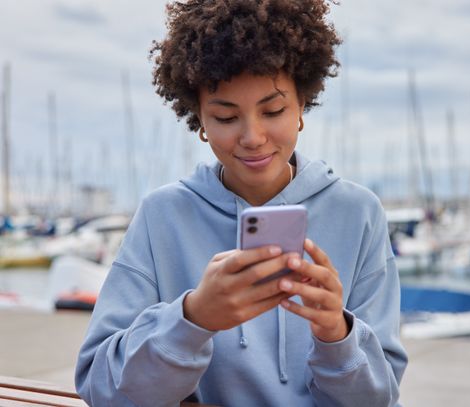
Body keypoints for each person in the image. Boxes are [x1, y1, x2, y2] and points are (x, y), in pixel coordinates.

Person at [75, 1, 407, 406]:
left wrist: (337, 335)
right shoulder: (161, 216)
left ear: (302, 105)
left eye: (273, 110)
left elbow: (381, 399)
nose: (252, 137)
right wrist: (194, 318)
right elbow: (99, 386)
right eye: (226, 117)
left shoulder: (360, 214)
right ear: (199, 119)